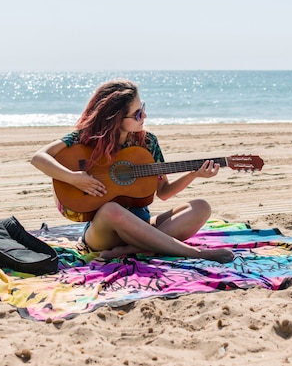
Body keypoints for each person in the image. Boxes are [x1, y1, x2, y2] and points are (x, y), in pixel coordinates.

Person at [31, 79, 234, 263]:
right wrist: (75, 179)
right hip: (103, 232)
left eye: (142, 108)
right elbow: (39, 157)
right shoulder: (85, 138)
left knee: (201, 207)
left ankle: (130, 249)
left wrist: (194, 174)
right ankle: (194, 253)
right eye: (137, 113)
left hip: (143, 223)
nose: (144, 116)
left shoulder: (148, 142)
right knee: (112, 210)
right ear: (115, 118)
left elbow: (163, 192)